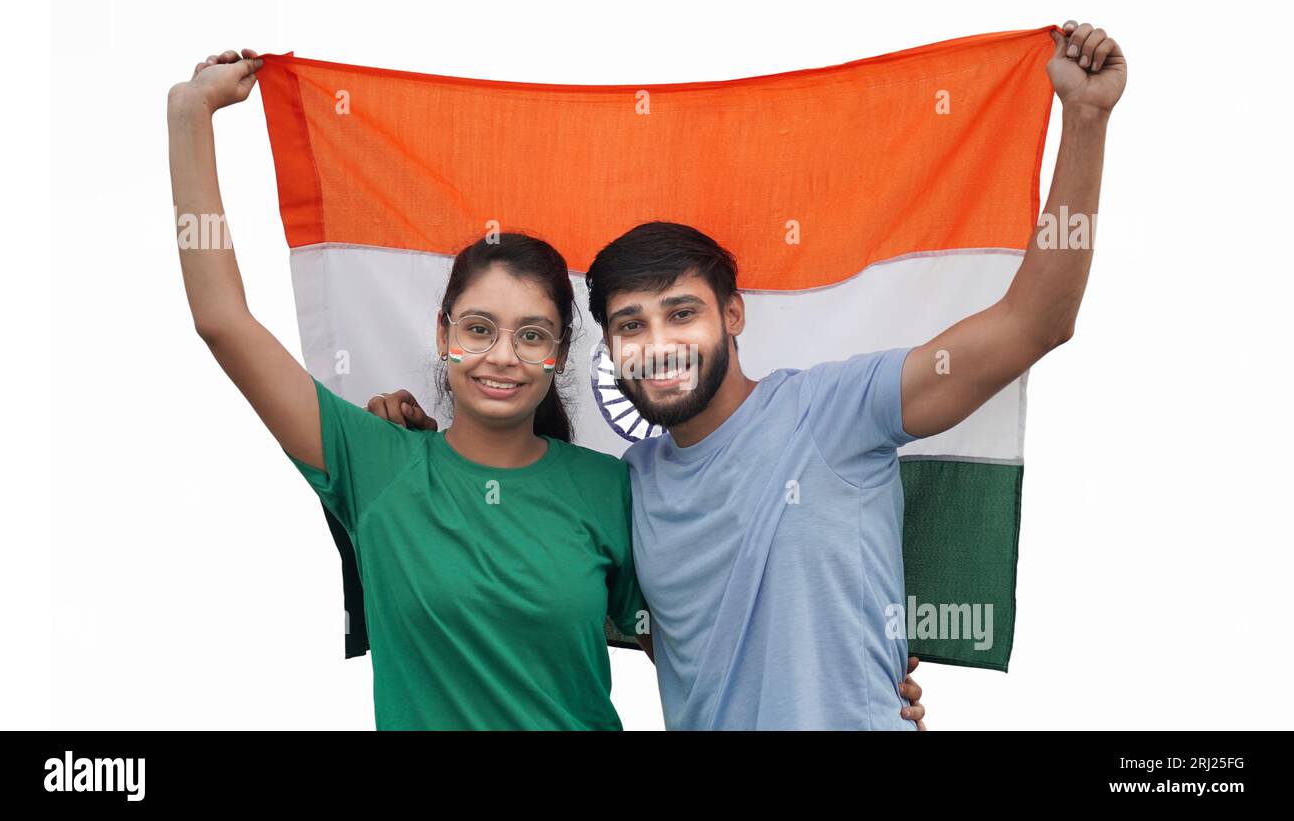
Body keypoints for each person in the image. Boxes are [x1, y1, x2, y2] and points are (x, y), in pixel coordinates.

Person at [372, 19, 1122, 729]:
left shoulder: (837, 409)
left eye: (681, 313)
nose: (658, 341)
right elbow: (534, 568)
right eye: (631, 324)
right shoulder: (631, 487)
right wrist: (429, 449)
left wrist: (1084, 122)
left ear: (733, 314)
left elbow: (1036, 322)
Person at [168, 48, 652, 730]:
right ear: (441, 332)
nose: (502, 356)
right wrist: (190, 117)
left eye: (532, 335)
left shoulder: (613, 489)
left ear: (561, 351)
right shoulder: (375, 463)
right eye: (479, 328)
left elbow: (692, 654)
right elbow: (221, 318)